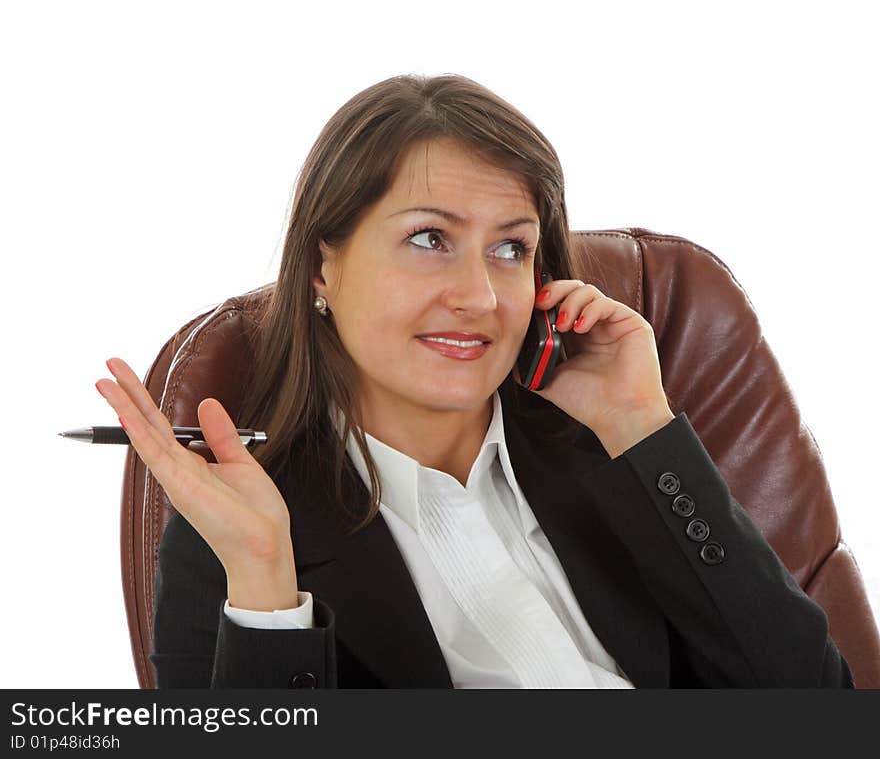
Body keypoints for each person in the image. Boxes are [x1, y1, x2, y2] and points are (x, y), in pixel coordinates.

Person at [96, 73, 854, 688]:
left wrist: (639, 428)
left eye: (511, 249)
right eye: (429, 239)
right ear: (324, 264)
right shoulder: (244, 537)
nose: (482, 297)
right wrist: (265, 587)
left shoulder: (611, 460)